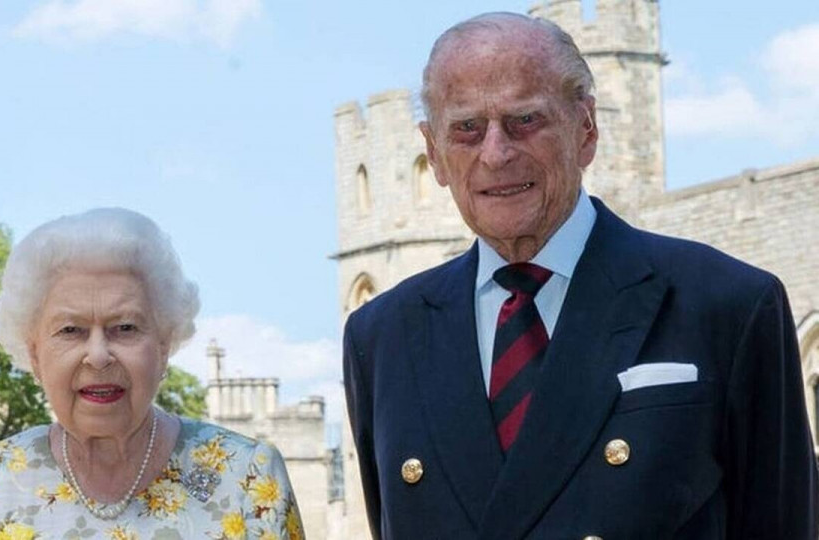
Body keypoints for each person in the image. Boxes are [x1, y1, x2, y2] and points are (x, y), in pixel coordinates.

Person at [343, 12, 818, 540]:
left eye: (525, 120)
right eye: (467, 129)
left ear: (586, 130)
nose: (496, 154)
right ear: (433, 153)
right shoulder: (381, 337)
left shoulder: (728, 305)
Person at [0, 208, 304, 539]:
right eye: (71, 330)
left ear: (163, 346)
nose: (98, 356)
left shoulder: (248, 476)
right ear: (35, 355)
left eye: (125, 327)